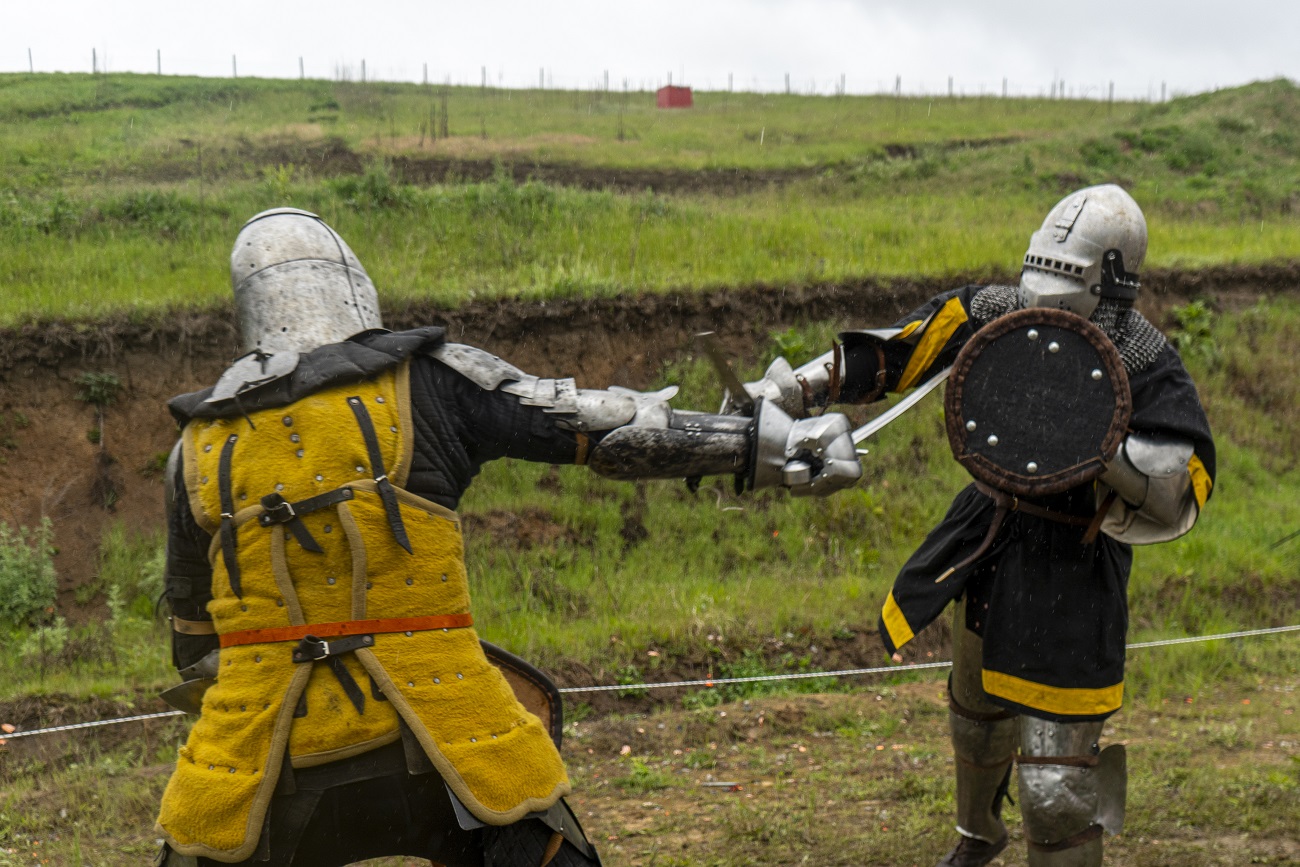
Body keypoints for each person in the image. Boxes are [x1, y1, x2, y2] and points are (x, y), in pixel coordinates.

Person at [155, 208, 862, 866]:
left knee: (204, 831)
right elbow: (602, 427)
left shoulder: (194, 449)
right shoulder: (426, 381)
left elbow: (194, 643)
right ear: (351, 287)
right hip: (446, 733)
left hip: (258, 759)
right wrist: (765, 443)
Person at [729, 184, 1215, 867]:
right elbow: (894, 350)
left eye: (1068, 281)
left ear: (1111, 281)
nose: (1045, 298)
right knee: (976, 714)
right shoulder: (992, 309)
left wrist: (1100, 446)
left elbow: (1180, 484)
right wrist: (793, 389)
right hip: (992, 535)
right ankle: (978, 837)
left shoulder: (1143, 358)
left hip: (1073, 568)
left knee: (1055, 787)